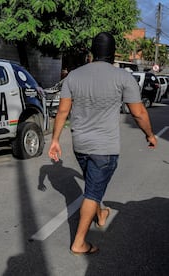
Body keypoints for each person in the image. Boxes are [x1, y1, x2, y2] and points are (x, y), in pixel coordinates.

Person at [48, 32, 157, 255]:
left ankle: (100, 214)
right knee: (92, 192)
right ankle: (79, 242)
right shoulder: (123, 77)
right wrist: (150, 134)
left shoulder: (74, 76)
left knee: (92, 185)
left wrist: (55, 140)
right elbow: (138, 113)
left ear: (92, 52)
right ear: (112, 54)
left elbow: (62, 111)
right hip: (104, 149)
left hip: (80, 145)